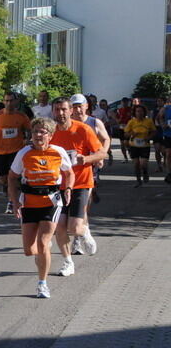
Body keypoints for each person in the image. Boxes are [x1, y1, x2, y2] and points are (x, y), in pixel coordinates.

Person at [7, 118, 74, 299]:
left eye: (42, 132)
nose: (38, 135)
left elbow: (69, 173)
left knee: (42, 243)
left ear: (50, 136)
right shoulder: (24, 153)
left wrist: (67, 188)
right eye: (35, 131)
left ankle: (42, 284)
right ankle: (45, 249)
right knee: (30, 250)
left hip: (51, 203)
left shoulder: (58, 152)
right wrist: (14, 202)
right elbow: (12, 177)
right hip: (29, 203)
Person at [49, 96, 104, 276]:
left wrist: (86, 159)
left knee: (74, 228)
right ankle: (68, 262)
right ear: (53, 111)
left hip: (80, 182)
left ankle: (84, 231)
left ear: (71, 110)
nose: (61, 113)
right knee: (60, 227)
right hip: (59, 186)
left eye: (64, 109)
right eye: (57, 110)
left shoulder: (83, 129)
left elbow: (101, 153)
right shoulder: (50, 132)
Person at [70, 94, 111, 251]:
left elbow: (106, 139)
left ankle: (79, 236)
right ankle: (80, 234)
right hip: (72, 170)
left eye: (80, 106)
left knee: (85, 204)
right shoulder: (67, 125)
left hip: (90, 167)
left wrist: (101, 154)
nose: (77, 109)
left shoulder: (94, 122)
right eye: (74, 106)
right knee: (79, 205)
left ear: (86, 106)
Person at [0, 94, 32, 214]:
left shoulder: (21, 116)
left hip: (16, 151)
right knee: (2, 178)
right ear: (4, 102)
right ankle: (8, 190)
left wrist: (27, 139)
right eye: (6, 101)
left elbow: (29, 129)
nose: (9, 103)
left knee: (13, 177)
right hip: (0, 151)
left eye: (11, 101)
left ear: (16, 102)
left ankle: (11, 202)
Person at [123, 103, 157, 186]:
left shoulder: (148, 121)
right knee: (136, 164)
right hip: (134, 145)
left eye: (141, 111)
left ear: (144, 112)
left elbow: (154, 132)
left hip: (145, 145)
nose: (139, 113)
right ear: (134, 113)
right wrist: (132, 134)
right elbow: (125, 134)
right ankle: (138, 180)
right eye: (137, 111)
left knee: (143, 164)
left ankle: (145, 173)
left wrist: (148, 138)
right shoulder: (131, 122)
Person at [114, 97, 132, 162]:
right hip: (121, 128)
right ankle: (125, 157)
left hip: (129, 128)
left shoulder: (131, 110)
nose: (124, 104)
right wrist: (118, 120)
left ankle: (130, 150)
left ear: (128, 103)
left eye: (126, 102)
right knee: (122, 144)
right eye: (123, 102)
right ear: (121, 103)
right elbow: (116, 118)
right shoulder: (119, 110)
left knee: (126, 142)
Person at [159, 98, 171, 183]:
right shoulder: (165, 108)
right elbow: (159, 118)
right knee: (169, 153)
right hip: (168, 134)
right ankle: (169, 173)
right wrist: (163, 124)